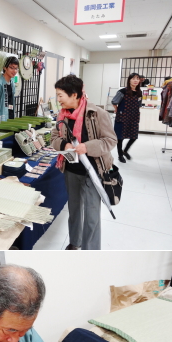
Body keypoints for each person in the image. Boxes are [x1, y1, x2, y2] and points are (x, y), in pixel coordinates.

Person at [51, 74, 116, 250]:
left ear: (74, 95)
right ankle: (75, 242)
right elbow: (54, 137)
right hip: (71, 170)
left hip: (93, 172)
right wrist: (64, 144)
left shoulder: (97, 114)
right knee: (74, 210)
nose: (58, 100)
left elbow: (110, 141)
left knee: (92, 216)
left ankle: (90, 251)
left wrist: (87, 147)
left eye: (60, 95)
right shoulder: (62, 115)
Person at [113, 72, 146, 162]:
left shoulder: (139, 92)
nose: (136, 80)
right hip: (123, 117)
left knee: (134, 136)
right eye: (133, 78)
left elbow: (139, 104)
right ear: (129, 80)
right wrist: (116, 109)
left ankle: (125, 151)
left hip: (133, 117)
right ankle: (120, 155)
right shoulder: (122, 91)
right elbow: (114, 101)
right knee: (120, 137)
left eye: (137, 79)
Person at [0, 57, 20, 124]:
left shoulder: (12, 83)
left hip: (9, 117)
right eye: (12, 68)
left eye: (16, 68)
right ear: (5, 68)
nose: (14, 71)